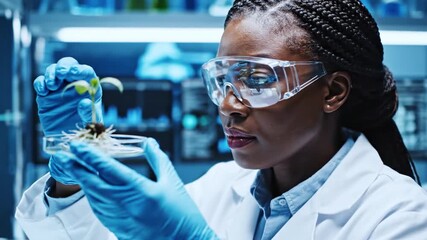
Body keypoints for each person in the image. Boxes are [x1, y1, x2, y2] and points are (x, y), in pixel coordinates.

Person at [16, 0, 427, 239]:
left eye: (257, 79)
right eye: (222, 79)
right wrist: (74, 173)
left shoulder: (401, 219)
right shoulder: (219, 187)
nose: (228, 104)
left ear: (333, 92)